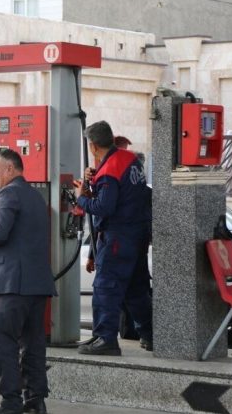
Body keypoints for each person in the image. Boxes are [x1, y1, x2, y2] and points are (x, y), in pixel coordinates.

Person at [0, 148, 56, 414]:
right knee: (33, 344)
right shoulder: (35, 196)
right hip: (37, 284)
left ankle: (10, 403)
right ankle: (35, 401)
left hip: (13, 284)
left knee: (4, 342)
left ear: (10, 169)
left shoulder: (8, 194)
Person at [75, 121, 153, 356]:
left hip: (118, 237)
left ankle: (105, 338)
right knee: (136, 289)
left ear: (92, 146)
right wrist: (94, 178)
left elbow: (104, 208)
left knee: (105, 287)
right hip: (138, 235)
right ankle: (151, 335)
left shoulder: (109, 170)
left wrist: (81, 198)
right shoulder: (130, 159)